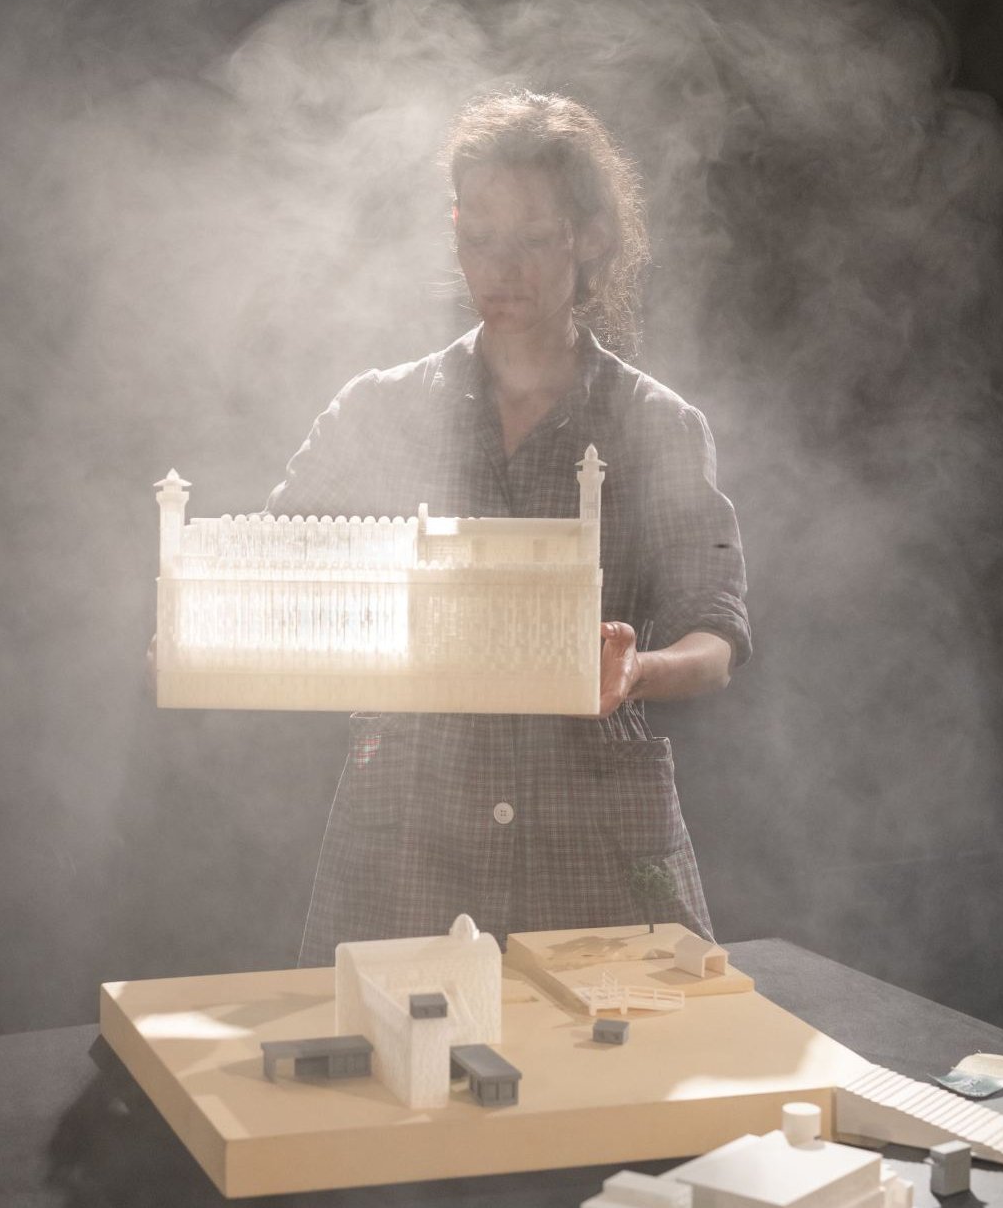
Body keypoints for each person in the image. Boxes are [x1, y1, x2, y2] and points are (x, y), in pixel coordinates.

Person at [266, 91, 751, 965]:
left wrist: (636, 667)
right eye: (479, 236)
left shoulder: (657, 424)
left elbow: (716, 634)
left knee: (612, 1086)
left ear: (591, 236)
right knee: (385, 1083)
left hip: (590, 833)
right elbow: (265, 575)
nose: (502, 267)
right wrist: (200, 637)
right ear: (453, 228)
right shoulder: (378, 410)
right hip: (407, 833)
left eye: (534, 237)